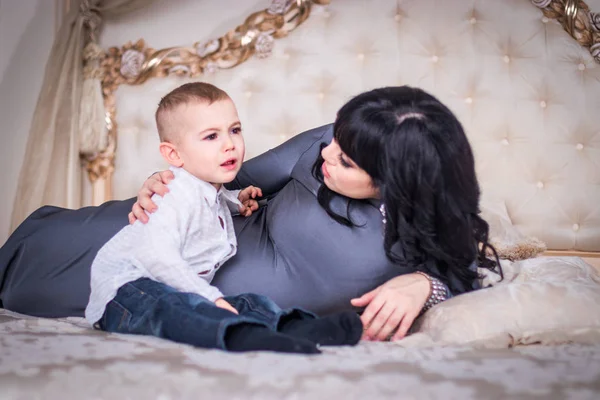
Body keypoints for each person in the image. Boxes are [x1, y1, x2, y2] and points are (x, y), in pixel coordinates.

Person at [0, 86, 500, 342]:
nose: (327, 155)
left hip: (189, 294)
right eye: (334, 142)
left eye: (345, 161)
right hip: (180, 240)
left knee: (41, 291)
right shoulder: (334, 141)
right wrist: (163, 179)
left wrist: (424, 285)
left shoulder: (423, 232)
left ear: (400, 181)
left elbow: (466, 269)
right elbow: (230, 175)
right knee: (36, 251)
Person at [85, 82, 362, 354]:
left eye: (235, 130)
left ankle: (298, 327)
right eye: (211, 136)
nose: (229, 145)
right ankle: (242, 336)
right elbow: (157, 257)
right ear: (173, 154)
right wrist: (210, 297)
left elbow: (209, 203)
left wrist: (236, 199)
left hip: (170, 287)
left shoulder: (206, 187)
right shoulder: (173, 195)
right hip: (125, 291)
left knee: (246, 302)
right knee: (173, 310)